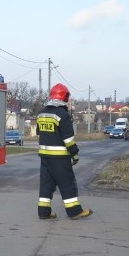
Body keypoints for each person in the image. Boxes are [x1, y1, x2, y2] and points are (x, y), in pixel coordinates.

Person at [36, 83, 92, 220]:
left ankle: (44, 212)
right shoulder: (63, 115)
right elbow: (68, 140)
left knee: (46, 185)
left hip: (45, 157)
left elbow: (39, 134)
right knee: (67, 183)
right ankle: (74, 212)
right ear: (65, 97)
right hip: (60, 158)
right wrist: (74, 153)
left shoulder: (41, 113)